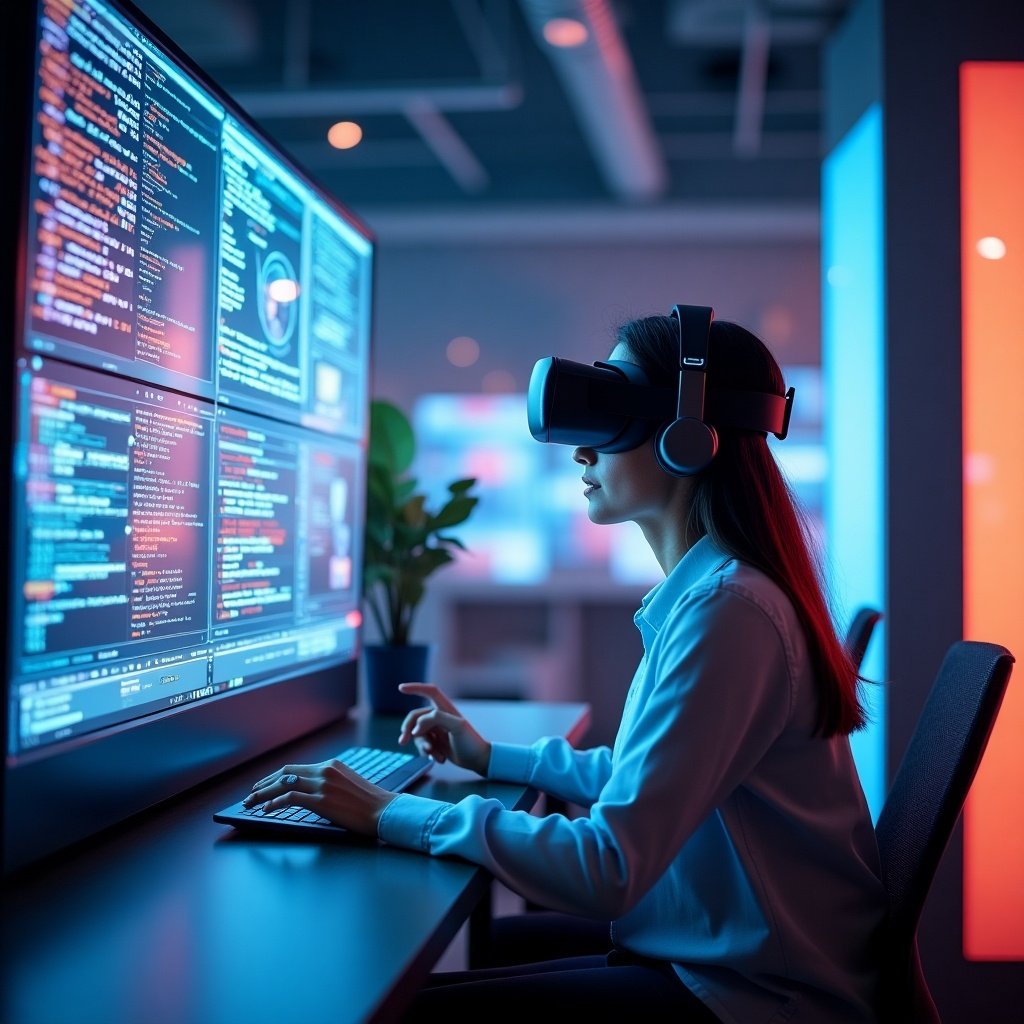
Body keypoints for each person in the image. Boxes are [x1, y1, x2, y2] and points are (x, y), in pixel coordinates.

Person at [244, 311, 887, 1021]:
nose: (582, 453)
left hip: (752, 998)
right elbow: (643, 784)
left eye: (610, 417)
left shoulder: (730, 613)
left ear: (686, 436)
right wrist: (492, 755)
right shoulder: (716, 598)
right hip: (714, 954)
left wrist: (392, 810)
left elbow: (609, 867)